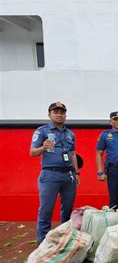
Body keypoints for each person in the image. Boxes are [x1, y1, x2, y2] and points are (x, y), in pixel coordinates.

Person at [30, 102, 80, 243]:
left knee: (68, 209)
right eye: (56, 112)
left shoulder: (70, 133)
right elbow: (32, 152)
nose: (59, 115)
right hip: (50, 175)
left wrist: (76, 173)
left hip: (68, 175)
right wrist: (43, 148)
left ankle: (64, 237)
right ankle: (43, 241)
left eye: (62, 112)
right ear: (49, 114)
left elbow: (73, 154)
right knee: (46, 209)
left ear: (65, 115)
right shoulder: (42, 131)